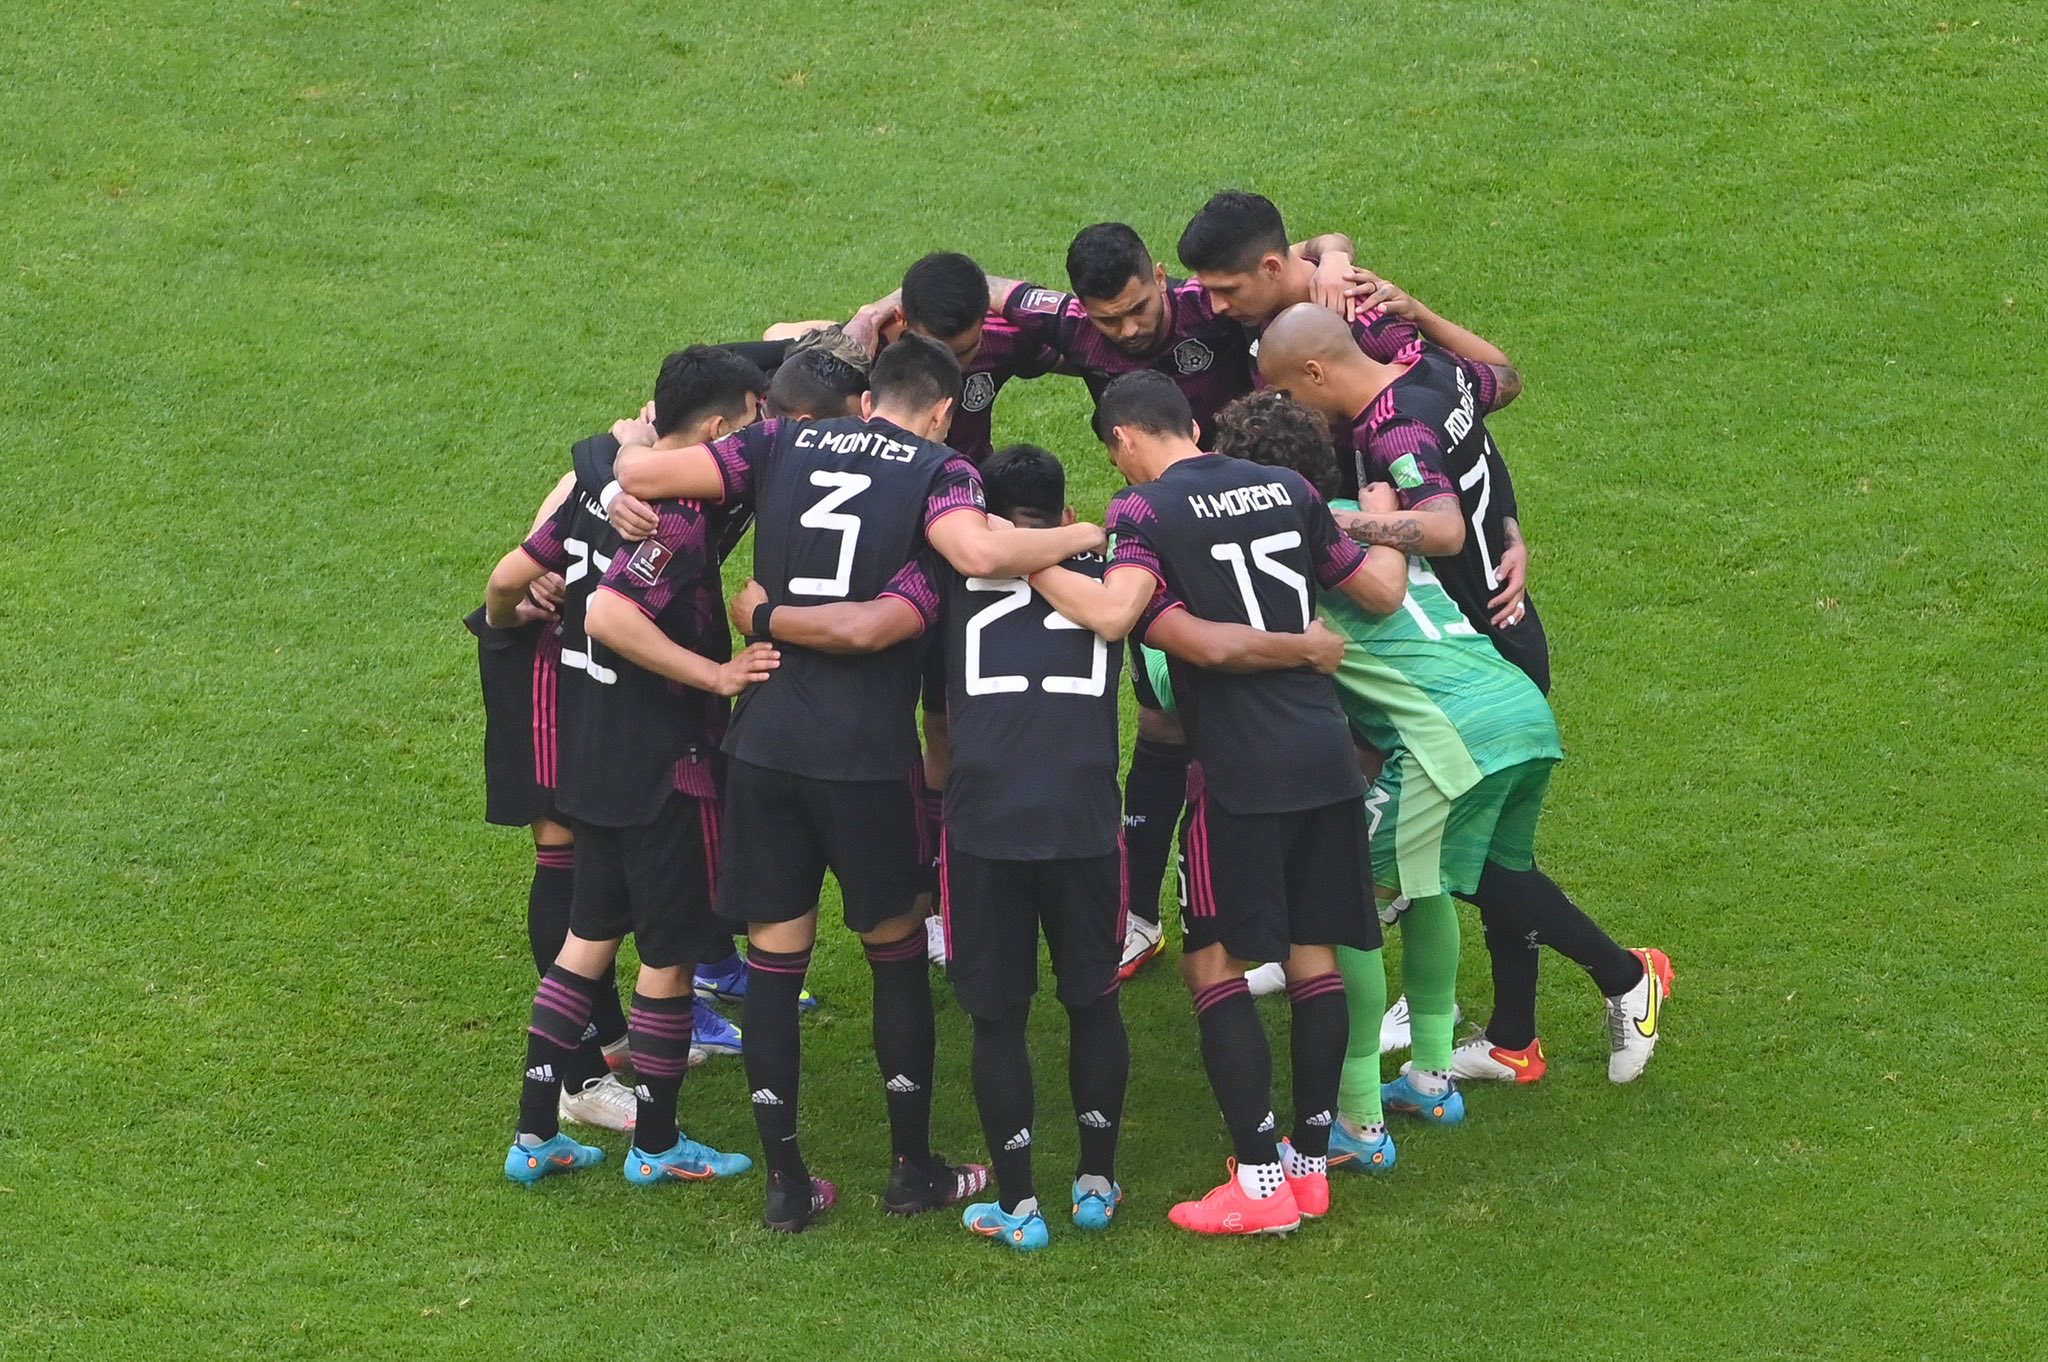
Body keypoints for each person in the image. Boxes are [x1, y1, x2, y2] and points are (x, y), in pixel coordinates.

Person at [613, 334, 1106, 1232]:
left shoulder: (778, 442)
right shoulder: (944, 474)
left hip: (762, 744)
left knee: (773, 961)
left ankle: (786, 1186)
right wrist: (1088, 530)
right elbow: (915, 602)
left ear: (869, 399)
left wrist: (753, 603)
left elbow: (646, 478)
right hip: (867, 761)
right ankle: (913, 1169)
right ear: (945, 411)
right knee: (894, 954)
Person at [1209, 393, 1673, 1116]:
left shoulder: (1287, 542)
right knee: (1486, 874)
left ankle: (1357, 1110)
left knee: (1350, 895)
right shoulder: (1363, 515)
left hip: (1448, 732)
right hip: (1512, 706)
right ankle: (1529, 1031)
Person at [723, 444, 1136, 1253]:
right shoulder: (1117, 571)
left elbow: (880, 627)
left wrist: (760, 615)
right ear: (1058, 510)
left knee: (998, 1018)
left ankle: (1018, 1204)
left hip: (981, 822)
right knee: (1093, 1001)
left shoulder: (939, 574)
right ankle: (1096, 1180)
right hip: (1086, 818)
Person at [1026, 371, 1400, 1237]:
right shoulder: (1296, 487)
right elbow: (1379, 589)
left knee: (1213, 964)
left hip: (1239, 768)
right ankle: (1312, 1168)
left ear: (1121, 443)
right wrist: (1386, 515)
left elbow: (1189, 640)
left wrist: (1291, 649)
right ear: (1191, 422)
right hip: (1324, 753)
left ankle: (1261, 1182)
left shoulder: (1142, 514)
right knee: (1314, 956)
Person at [483, 345, 774, 1187]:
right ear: (717, 430)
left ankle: (536, 1134)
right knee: (668, 959)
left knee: (585, 944)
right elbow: (614, 614)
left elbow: (511, 574)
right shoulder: (676, 514)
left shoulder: (598, 488)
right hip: (661, 765)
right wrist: (717, 675)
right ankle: (657, 1144)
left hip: (589, 753)